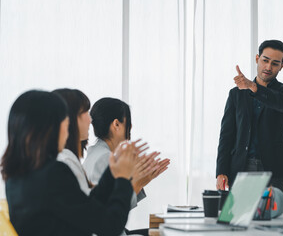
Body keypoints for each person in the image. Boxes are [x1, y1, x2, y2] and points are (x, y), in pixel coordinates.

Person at [1, 90, 139, 236]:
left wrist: (112, 172)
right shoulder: (53, 174)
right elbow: (110, 226)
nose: (68, 130)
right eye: (65, 123)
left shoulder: (18, 177)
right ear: (50, 128)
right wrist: (123, 179)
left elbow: (85, 207)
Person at [216, 40, 283, 196]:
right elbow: (226, 135)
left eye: (275, 63)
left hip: (274, 168)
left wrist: (253, 87)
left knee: (273, 219)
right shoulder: (236, 94)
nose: (268, 67)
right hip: (242, 166)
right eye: (265, 60)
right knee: (240, 218)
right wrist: (221, 171)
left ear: (281, 66)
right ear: (257, 59)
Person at [83, 97, 170, 200]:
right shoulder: (105, 158)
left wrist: (136, 179)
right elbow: (109, 210)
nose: (131, 126)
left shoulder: (95, 154)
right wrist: (137, 183)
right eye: (128, 121)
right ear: (116, 124)